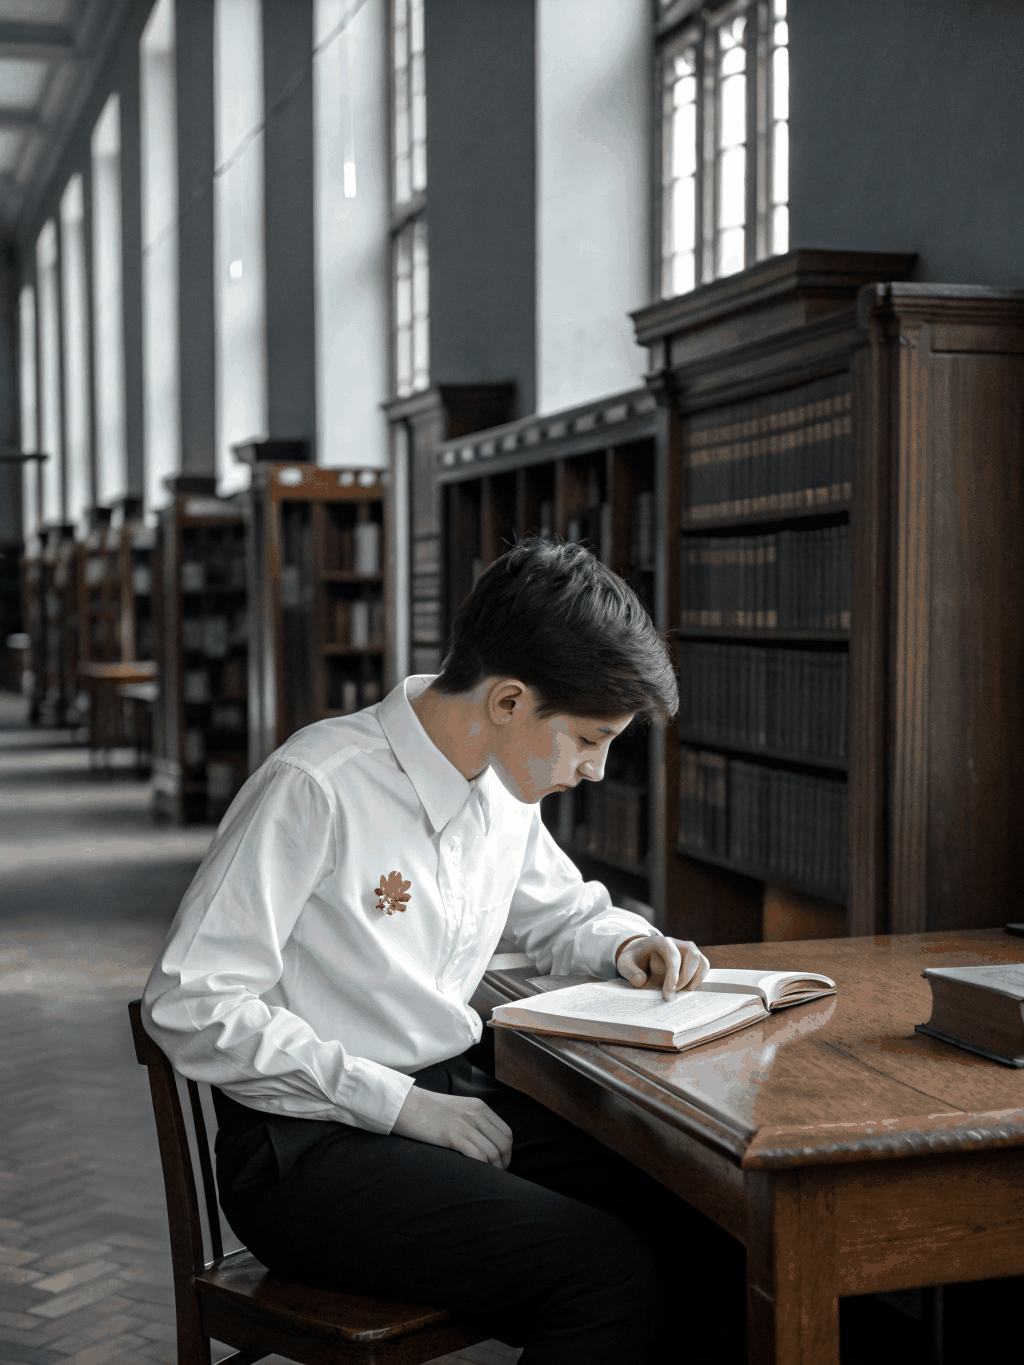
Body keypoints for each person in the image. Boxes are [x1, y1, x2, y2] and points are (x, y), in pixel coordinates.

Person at [142, 536, 745, 1364]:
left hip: (451, 1099)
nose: (598, 770)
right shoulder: (316, 785)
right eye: (589, 739)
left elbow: (560, 911)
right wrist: (399, 1104)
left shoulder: (502, 787)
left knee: (712, 1217)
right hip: (306, 1146)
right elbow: (190, 1001)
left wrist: (630, 944)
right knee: (608, 1278)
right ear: (507, 700)